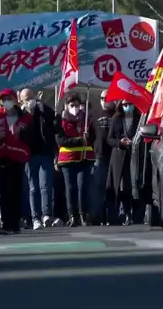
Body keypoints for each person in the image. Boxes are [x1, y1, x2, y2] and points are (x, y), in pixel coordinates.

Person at [0, 88, 34, 234]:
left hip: (18, 156)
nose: (6, 102)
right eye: (4, 99)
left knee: (17, 190)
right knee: (4, 191)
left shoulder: (24, 115)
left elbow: (31, 134)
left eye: (9, 99)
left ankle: (15, 223)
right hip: (2, 155)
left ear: (15, 100)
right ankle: (6, 223)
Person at [19, 88, 61, 229]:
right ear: (21, 100)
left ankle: (46, 215)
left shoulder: (44, 111)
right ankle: (35, 217)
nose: (30, 101)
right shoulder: (21, 114)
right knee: (33, 187)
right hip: (29, 155)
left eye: (31, 97)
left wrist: (42, 108)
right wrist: (26, 113)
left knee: (45, 186)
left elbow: (54, 125)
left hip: (45, 153)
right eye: (26, 99)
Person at [56, 93, 96, 227]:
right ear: (66, 106)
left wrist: (88, 137)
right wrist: (78, 140)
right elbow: (60, 140)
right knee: (70, 188)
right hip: (67, 159)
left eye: (77, 105)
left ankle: (83, 215)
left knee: (82, 187)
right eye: (72, 105)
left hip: (84, 158)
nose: (75, 108)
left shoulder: (86, 120)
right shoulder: (60, 120)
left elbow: (93, 138)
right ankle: (72, 216)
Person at [106, 100, 142, 225]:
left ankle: (137, 214)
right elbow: (109, 139)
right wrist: (120, 142)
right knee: (122, 187)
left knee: (135, 184)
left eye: (129, 104)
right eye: (125, 105)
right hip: (120, 156)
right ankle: (126, 213)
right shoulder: (116, 119)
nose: (127, 107)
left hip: (135, 155)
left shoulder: (139, 118)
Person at [93, 89, 116, 225]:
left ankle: (112, 216)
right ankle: (97, 217)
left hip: (114, 155)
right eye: (102, 98)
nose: (104, 101)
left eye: (107, 98)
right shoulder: (94, 113)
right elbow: (90, 133)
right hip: (99, 155)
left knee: (112, 187)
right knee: (98, 187)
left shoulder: (117, 114)